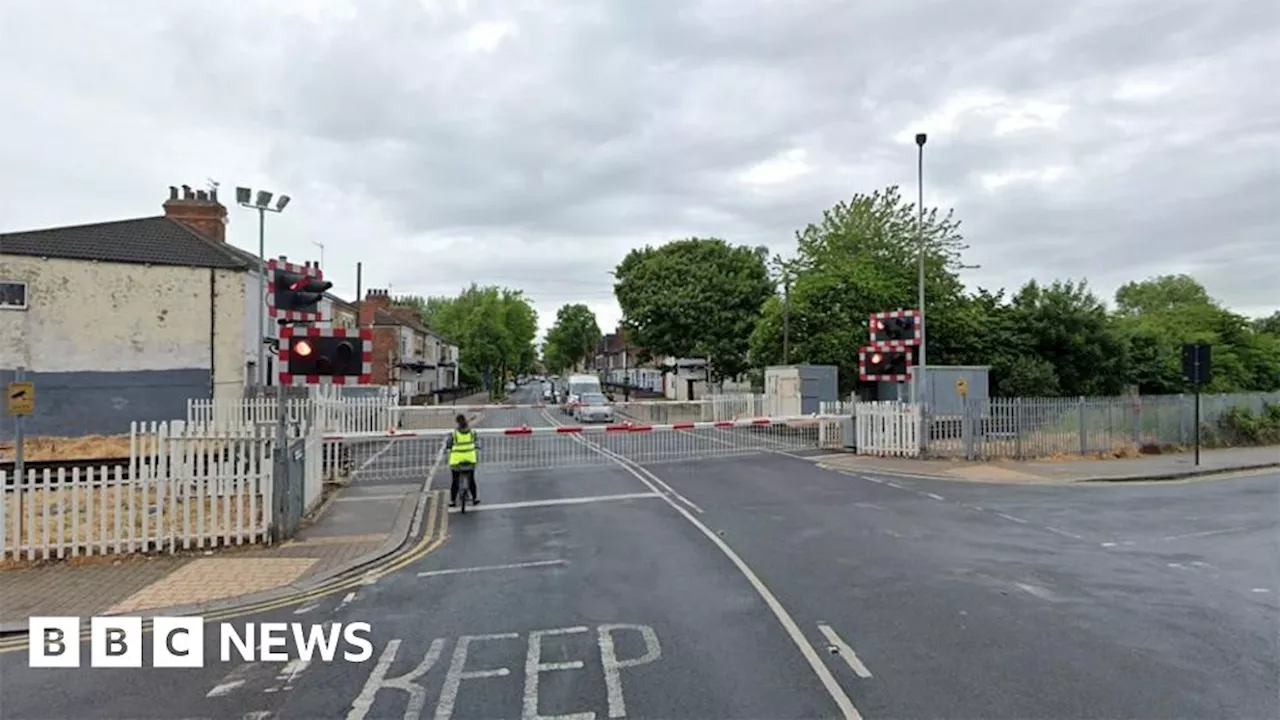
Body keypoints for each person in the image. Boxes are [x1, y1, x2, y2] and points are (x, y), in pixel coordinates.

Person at [445, 413, 479, 507]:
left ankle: (452, 501)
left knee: (455, 480)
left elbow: (448, 444)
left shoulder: (454, 433)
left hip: (456, 460)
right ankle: (475, 498)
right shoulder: (472, 432)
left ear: (457, 423)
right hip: (470, 459)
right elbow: (476, 442)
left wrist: (449, 449)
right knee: (471, 479)